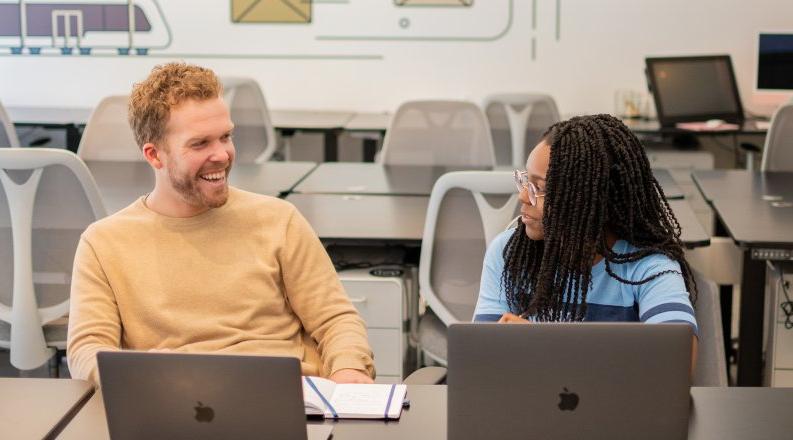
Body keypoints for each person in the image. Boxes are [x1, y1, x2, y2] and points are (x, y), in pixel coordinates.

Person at [67, 62, 374, 385]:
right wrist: (147, 373)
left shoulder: (278, 220)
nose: (222, 155)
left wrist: (348, 370)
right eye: (200, 144)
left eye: (225, 137)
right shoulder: (103, 243)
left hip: (291, 396)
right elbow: (87, 350)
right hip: (178, 400)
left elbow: (335, 319)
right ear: (154, 155)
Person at [474, 114, 698, 343]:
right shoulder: (508, 252)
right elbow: (482, 355)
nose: (523, 196)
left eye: (540, 188)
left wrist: (543, 342)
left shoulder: (648, 268)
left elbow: (677, 360)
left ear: (589, 200)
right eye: (525, 181)